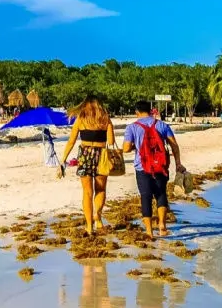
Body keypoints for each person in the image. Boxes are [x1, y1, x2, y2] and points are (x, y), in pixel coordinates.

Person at [123, 100, 185, 238]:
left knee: (146, 196)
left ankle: (150, 232)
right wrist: (178, 164)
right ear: (151, 111)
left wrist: (136, 146)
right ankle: (162, 226)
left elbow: (125, 148)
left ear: (136, 112)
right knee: (161, 194)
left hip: (142, 167)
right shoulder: (162, 125)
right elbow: (174, 145)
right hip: (160, 166)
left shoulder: (132, 127)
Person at [60, 96, 116, 235]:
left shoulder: (81, 119)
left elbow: (71, 141)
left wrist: (63, 160)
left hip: (85, 155)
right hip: (102, 155)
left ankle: (89, 226)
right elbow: (111, 141)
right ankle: (97, 217)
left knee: (87, 192)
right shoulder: (105, 119)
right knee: (101, 189)